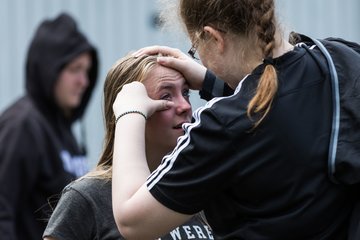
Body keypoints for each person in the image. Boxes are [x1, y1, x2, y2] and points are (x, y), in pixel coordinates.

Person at [110, 0, 360, 239]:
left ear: (215, 38)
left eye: (195, 49)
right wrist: (213, 82)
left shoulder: (223, 125)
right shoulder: (341, 58)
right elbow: (283, 109)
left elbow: (132, 221)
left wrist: (129, 112)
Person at [42, 54, 214, 240]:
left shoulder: (199, 185)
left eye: (186, 93)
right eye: (166, 96)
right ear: (128, 112)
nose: (185, 106)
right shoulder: (87, 197)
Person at [0, 13, 98, 240]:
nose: (84, 81)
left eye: (86, 71)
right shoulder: (22, 126)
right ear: (49, 69)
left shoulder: (62, 129)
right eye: (75, 69)